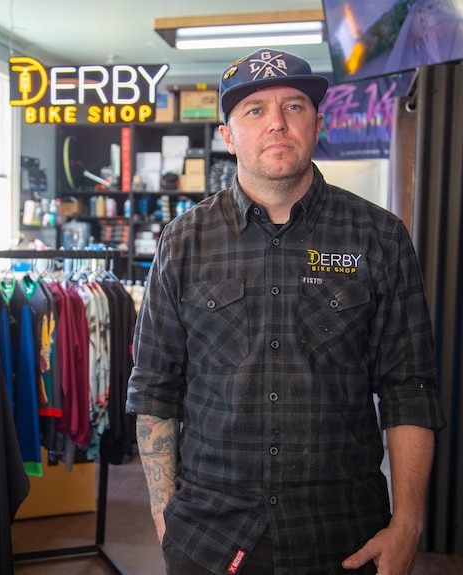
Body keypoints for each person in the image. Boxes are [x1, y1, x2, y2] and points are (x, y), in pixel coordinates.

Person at [126, 48, 446, 575]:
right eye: (254, 110)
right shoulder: (181, 241)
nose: (277, 122)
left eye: (294, 106)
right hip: (209, 536)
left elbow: (409, 388)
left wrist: (408, 523)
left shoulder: (378, 236)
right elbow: (156, 387)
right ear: (228, 137)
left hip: (344, 534)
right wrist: (165, 519)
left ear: (317, 122)